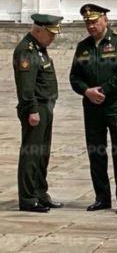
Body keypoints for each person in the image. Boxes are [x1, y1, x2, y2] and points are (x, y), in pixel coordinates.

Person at [69, 4, 117, 214]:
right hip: (92, 106)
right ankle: (102, 197)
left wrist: (103, 90)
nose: (91, 26)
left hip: (116, 104)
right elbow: (74, 76)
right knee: (96, 152)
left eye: (94, 21)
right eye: (87, 22)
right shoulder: (83, 47)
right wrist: (87, 91)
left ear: (105, 20)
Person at [14, 14, 64, 213]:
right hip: (35, 109)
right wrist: (32, 110)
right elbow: (26, 87)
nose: (52, 38)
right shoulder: (26, 50)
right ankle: (28, 198)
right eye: (50, 34)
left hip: (45, 106)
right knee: (31, 153)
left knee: (42, 154)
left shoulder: (39, 49)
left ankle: (41, 194)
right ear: (38, 30)